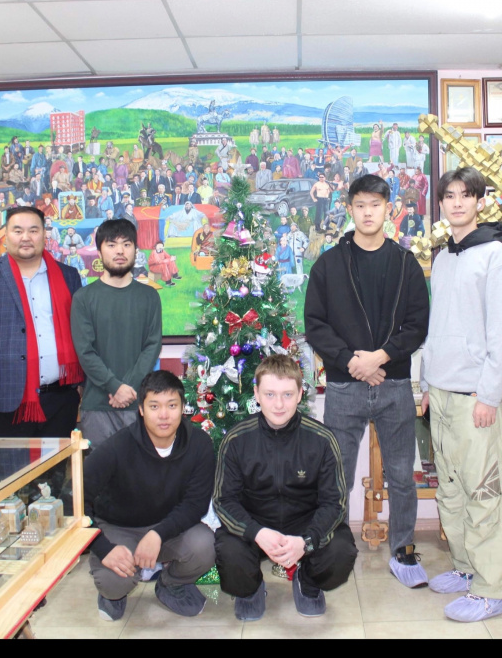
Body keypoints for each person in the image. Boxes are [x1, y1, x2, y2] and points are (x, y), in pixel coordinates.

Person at [304, 174, 430, 589]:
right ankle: (334, 549)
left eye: (376, 204)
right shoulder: (329, 264)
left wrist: (380, 357)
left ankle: (403, 549)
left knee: (402, 475)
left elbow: (417, 324)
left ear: (388, 209)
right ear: (350, 209)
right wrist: (351, 361)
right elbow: (315, 324)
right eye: (360, 205)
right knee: (336, 474)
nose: (368, 212)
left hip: (394, 385)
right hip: (344, 387)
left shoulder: (405, 264)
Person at [420, 167, 502, 622]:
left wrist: (488, 395)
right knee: (452, 491)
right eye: (449, 196)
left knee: (485, 494)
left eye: (466, 195)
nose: (457, 203)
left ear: (480, 201)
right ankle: (465, 569)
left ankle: (491, 589)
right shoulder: (444, 257)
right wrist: (426, 383)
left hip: (475, 397)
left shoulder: (497, 255)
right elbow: (436, 326)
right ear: (441, 203)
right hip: (441, 394)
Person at [213, 354, 356, 620]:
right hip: (255, 526)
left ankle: (307, 582)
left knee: (341, 550)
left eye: (287, 394)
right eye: (270, 394)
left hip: (305, 525)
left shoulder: (323, 439)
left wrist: (307, 541)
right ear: (256, 394)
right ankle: (250, 590)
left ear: (300, 394)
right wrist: (257, 533)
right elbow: (223, 501)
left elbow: (335, 503)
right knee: (229, 552)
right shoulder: (236, 440)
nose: (279, 404)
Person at [0, 206, 83, 494]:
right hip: (3, 400)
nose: (26, 237)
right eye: (17, 230)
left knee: (52, 489)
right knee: (4, 489)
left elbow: (81, 332)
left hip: (59, 400)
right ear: (5, 235)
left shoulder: (68, 275)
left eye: (33, 230)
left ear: (44, 234)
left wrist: (79, 387)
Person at [84, 370, 216, 621]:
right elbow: (75, 500)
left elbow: (196, 504)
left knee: (206, 546)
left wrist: (157, 534)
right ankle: (114, 592)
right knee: (114, 582)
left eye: (172, 405)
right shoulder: (117, 447)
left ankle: (171, 583)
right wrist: (104, 548)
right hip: (120, 527)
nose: (164, 415)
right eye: (154, 406)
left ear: (183, 408)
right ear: (141, 410)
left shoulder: (199, 444)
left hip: (170, 529)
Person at [71, 219, 163, 446]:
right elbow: (85, 351)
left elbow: (152, 346)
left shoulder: (149, 296)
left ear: (135, 250)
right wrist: (114, 386)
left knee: (141, 468)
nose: (120, 251)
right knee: (100, 468)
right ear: (99, 251)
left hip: (138, 404)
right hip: (98, 407)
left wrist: (127, 389)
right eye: (111, 244)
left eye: (126, 244)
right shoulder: (83, 298)